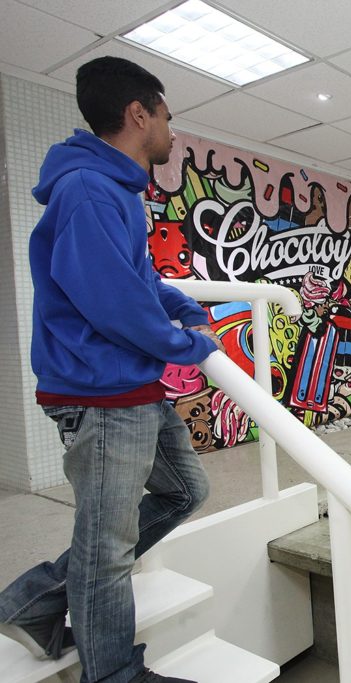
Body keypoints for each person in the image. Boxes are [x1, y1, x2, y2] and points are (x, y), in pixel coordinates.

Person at [0, 56, 223, 683]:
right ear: (138, 115)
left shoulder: (113, 190)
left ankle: (36, 601)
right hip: (101, 392)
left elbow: (137, 279)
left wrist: (183, 307)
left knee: (185, 492)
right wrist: (187, 346)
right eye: (167, 117)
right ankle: (115, 673)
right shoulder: (88, 190)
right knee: (106, 548)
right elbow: (112, 300)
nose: (172, 132)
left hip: (129, 385)